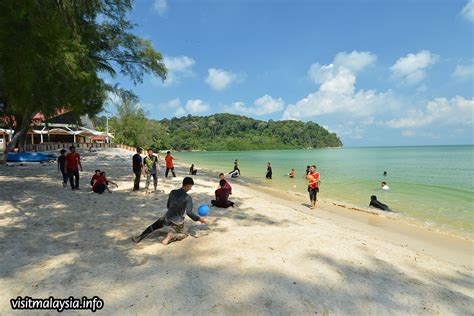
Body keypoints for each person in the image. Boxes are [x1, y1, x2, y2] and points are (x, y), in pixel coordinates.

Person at [132, 177, 206, 245]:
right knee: (184, 234)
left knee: (153, 226)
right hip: (178, 221)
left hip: (167, 217)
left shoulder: (173, 192)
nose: (190, 189)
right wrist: (199, 219)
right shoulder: (188, 198)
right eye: (190, 187)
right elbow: (189, 212)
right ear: (188, 185)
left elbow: (168, 206)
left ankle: (139, 237)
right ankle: (170, 236)